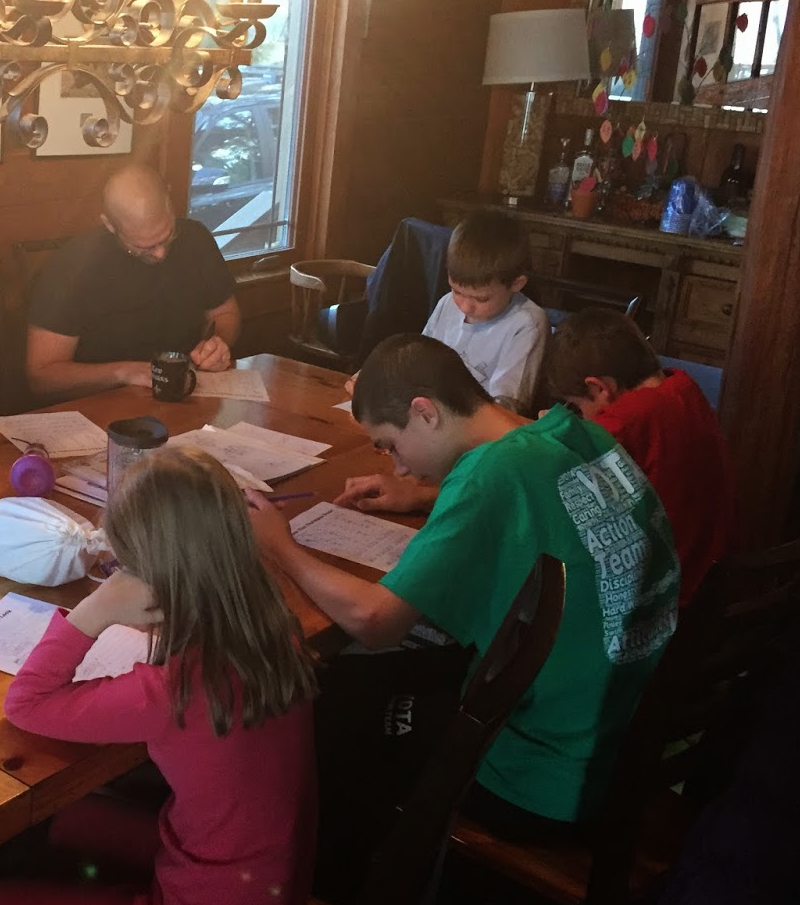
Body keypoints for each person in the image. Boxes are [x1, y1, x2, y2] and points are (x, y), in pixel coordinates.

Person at [251, 334, 680, 834]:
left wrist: (279, 545)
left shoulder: (486, 475)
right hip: (623, 740)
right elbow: (536, 504)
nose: (399, 466)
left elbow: (376, 621)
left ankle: (370, 865)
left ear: (425, 412)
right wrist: (423, 498)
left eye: (390, 445)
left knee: (329, 700)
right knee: (387, 675)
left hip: (540, 776)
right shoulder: (576, 434)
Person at [0, 447, 318, 905]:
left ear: (149, 579)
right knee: (68, 822)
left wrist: (94, 612)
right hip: (263, 904)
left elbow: (26, 704)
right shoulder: (275, 631)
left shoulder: (171, 691)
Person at [543, 307, 734, 605]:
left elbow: (554, 467)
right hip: (708, 564)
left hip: (663, 588)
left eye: (577, 406)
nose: (581, 415)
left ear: (599, 388)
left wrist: (551, 428)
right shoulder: (681, 384)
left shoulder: (629, 419)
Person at [26, 165, 241, 401]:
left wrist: (217, 343)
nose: (160, 253)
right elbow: (42, 376)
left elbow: (225, 313)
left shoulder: (196, 239)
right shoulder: (73, 266)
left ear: (169, 203)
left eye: (167, 236)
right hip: (106, 403)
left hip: (185, 395)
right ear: (110, 225)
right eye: (143, 247)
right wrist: (124, 373)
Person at [420, 211, 548, 415]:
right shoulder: (447, 303)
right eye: (457, 291)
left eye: (481, 299)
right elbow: (420, 358)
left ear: (516, 284)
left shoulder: (527, 323)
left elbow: (508, 406)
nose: (465, 307)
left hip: (481, 422)